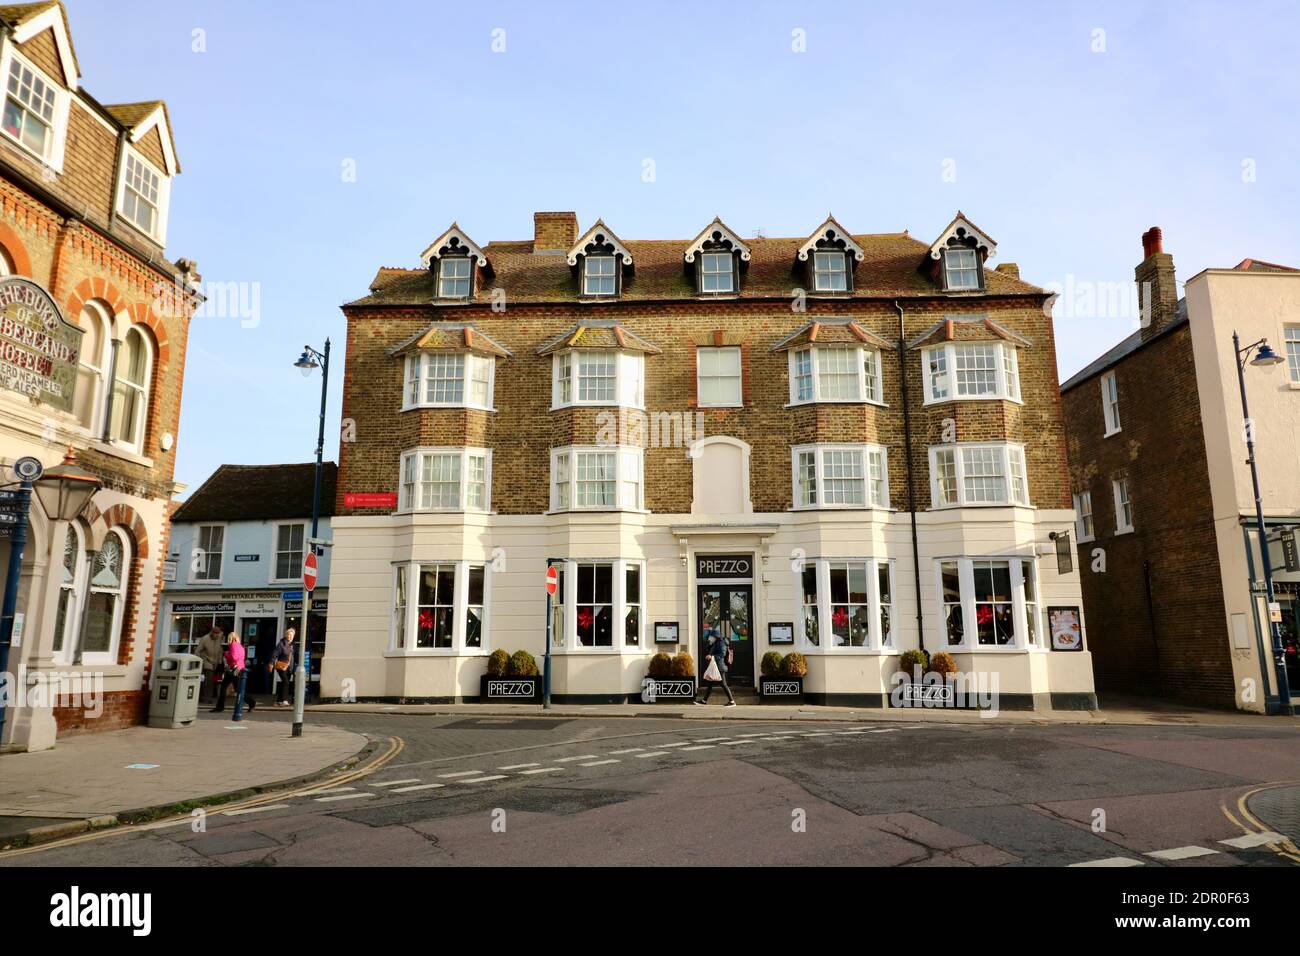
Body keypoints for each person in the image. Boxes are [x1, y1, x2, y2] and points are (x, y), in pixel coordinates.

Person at [211, 633, 255, 713]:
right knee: (235, 688)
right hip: (240, 668)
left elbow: (234, 657)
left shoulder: (233, 645)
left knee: (228, 688)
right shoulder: (241, 646)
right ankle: (251, 702)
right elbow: (241, 657)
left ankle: (220, 707)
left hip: (233, 669)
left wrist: (226, 654)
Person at [695, 629, 736, 707]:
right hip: (714, 666)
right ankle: (704, 700)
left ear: (716, 636)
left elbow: (722, 654)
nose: (710, 638)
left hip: (719, 667)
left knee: (723, 684)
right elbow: (710, 650)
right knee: (710, 683)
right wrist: (709, 645)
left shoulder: (721, 643)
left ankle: (732, 701)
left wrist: (712, 656)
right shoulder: (715, 643)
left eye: (711, 636)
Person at [194, 625, 224, 703]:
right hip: (206, 662)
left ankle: (203, 697)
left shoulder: (219, 639)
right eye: (215, 633)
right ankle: (206, 698)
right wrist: (201, 661)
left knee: (208, 681)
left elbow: (220, 651)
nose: (217, 635)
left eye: (218, 633)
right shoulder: (205, 639)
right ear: (212, 632)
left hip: (215, 663)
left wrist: (220, 662)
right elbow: (197, 651)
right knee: (208, 681)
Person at [268, 628, 297, 706]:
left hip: (289, 667)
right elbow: (275, 654)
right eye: (289, 635)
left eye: (292, 635)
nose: (290, 636)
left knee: (284, 683)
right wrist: (271, 663)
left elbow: (295, 656)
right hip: (281, 666)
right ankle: (284, 700)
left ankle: (279, 701)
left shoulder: (293, 645)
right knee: (286, 682)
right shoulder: (281, 644)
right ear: (286, 635)